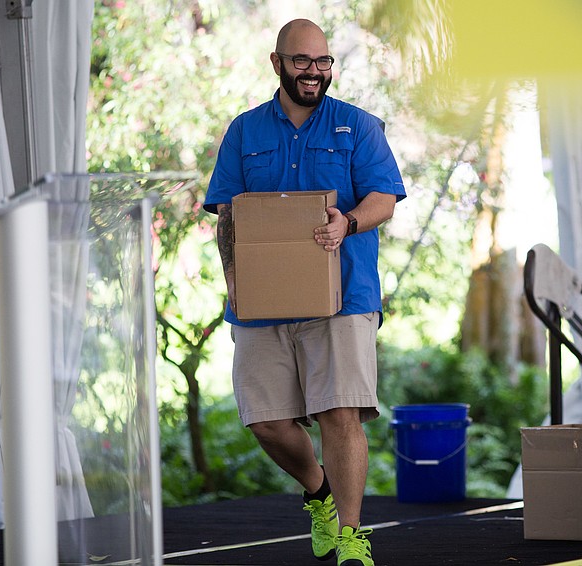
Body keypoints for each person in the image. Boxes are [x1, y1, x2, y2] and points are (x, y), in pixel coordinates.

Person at [203, 18, 405, 566]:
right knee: (265, 420)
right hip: (260, 303)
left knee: (340, 413)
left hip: (344, 296)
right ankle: (318, 492)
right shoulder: (245, 132)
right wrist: (235, 285)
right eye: (301, 62)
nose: (314, 72)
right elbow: (227, 214)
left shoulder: (357, 127)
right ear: (278, 64)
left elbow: (384, 198)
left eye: (322, 62)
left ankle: (351, 534)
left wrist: (348, 223)